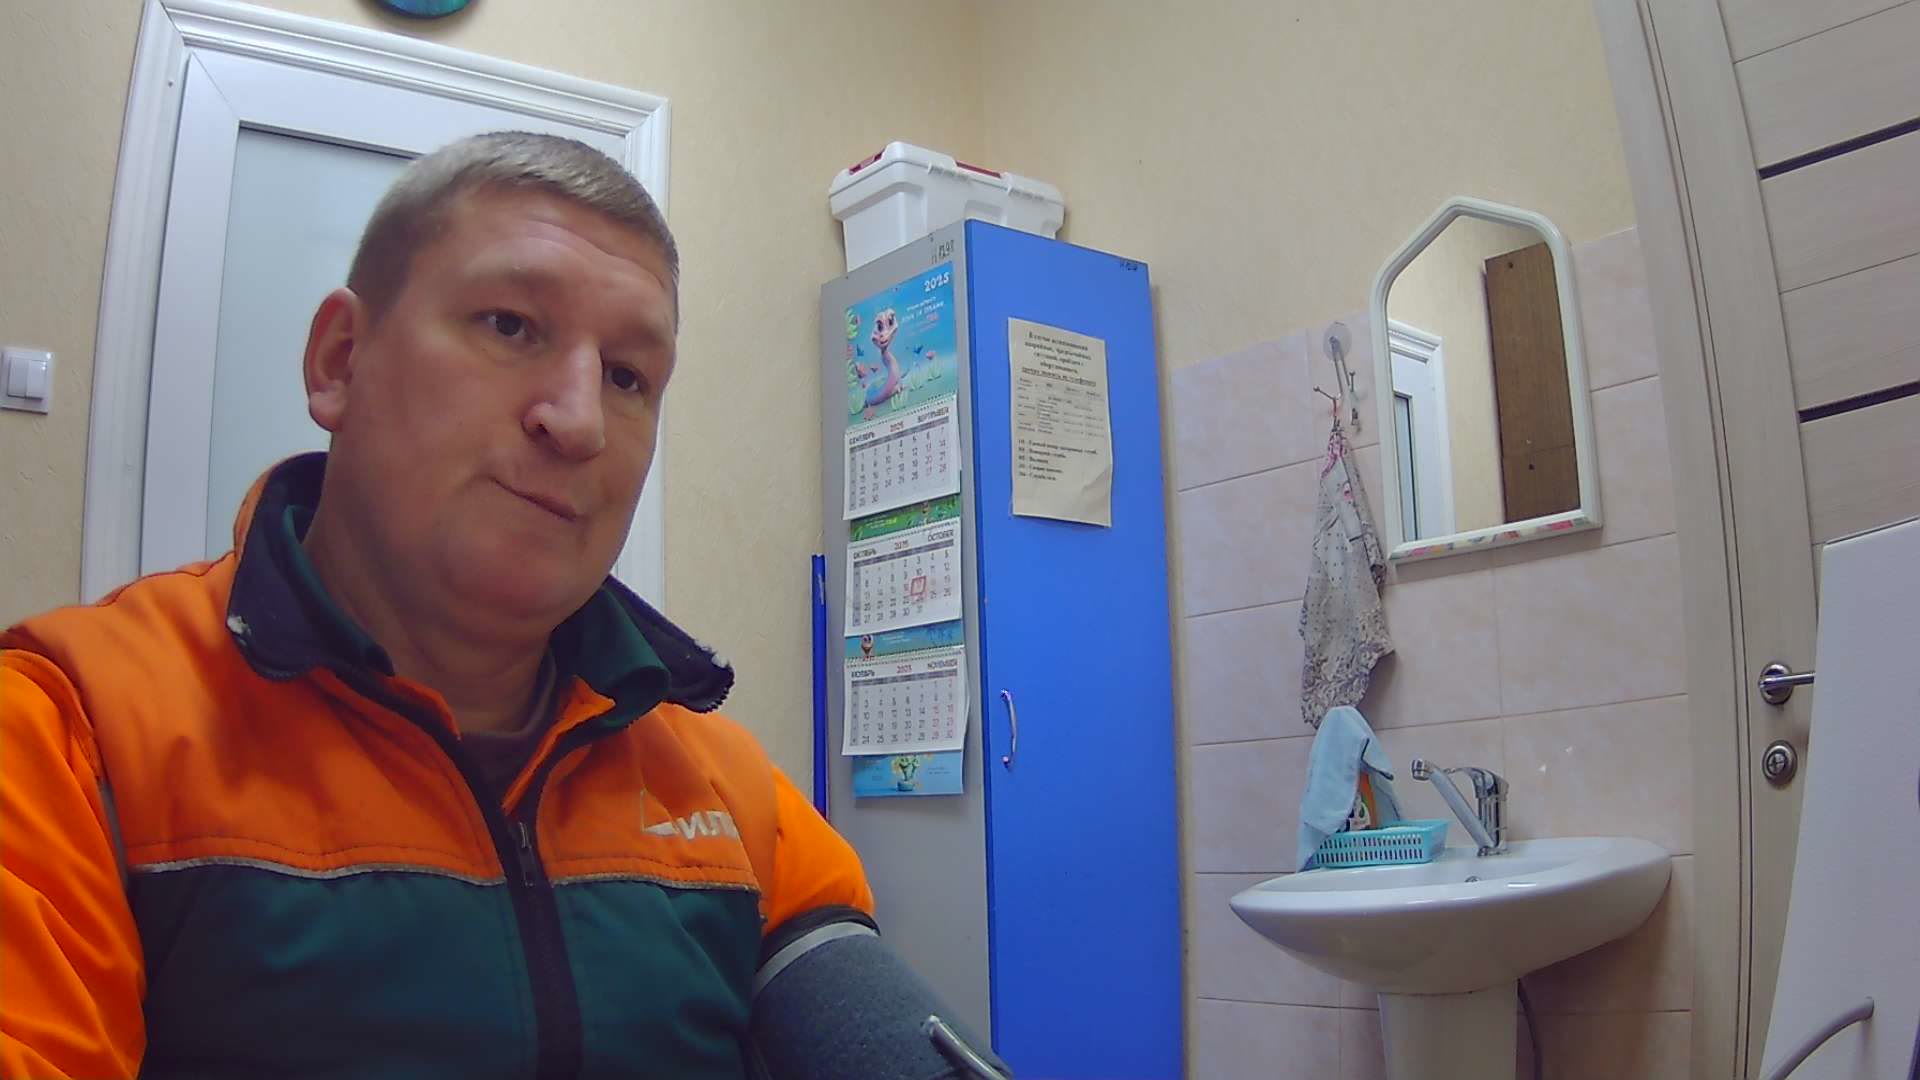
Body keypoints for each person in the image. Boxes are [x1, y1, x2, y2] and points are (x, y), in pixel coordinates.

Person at [0, 132, 1004, 1079]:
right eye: (510, 326)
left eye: (627, 376)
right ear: (340, 359)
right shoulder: (69, 736)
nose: (579, 421)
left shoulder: (731, 794)